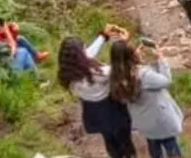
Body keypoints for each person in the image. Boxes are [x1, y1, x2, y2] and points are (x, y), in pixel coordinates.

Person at [58, 25, 136, 158]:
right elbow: (118, 67)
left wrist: (103, 37)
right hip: (112, 110)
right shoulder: (99, 74)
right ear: (80, 54)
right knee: (124, 140)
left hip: (93, 113)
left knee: (109, 140)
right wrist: (123, 43)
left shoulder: (68, 75)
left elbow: (86, 55)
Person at [109, 38, 185, 158]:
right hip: (160, 121)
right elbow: (166, 81)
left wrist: (138, 59)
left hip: (143, 122)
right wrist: (161, 60)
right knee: (171, 146)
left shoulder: (116, 77)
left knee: (154, 146)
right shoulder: (143, 75)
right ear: (131, 56)